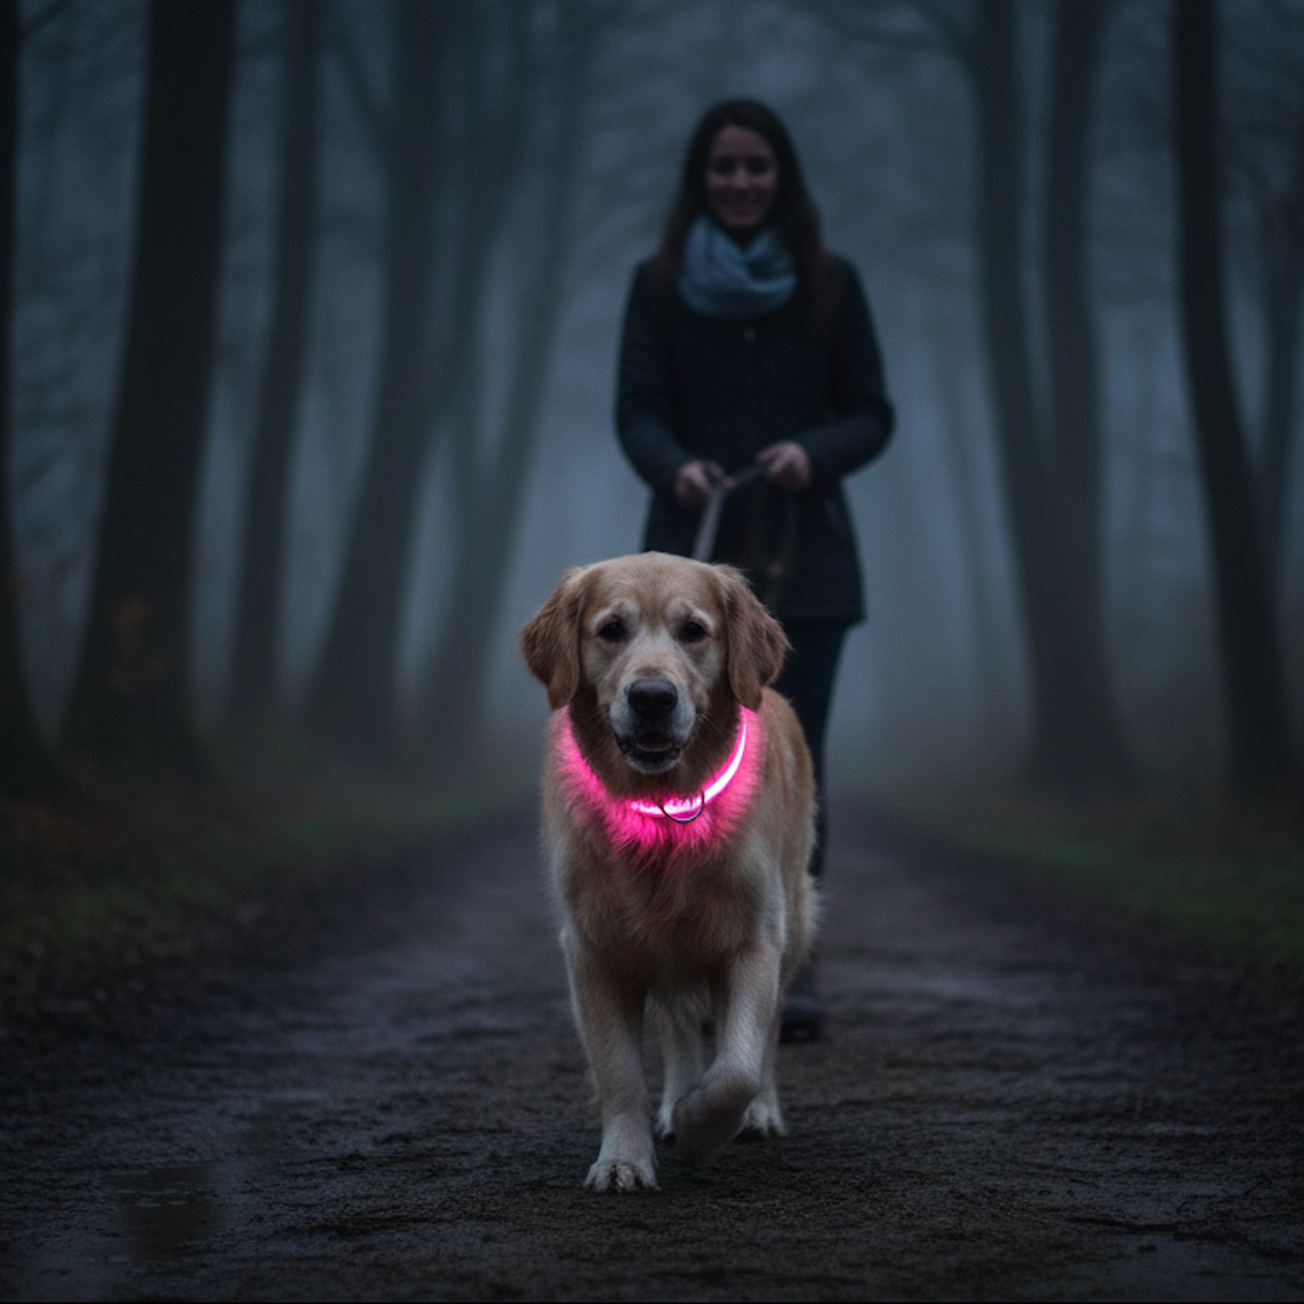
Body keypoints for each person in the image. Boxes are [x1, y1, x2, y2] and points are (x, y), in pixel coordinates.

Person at [614, 98, 896, 1042]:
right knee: (673, 770)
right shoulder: (654, 287)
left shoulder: (835, 284)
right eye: (724, 167)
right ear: (701, 178)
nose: (740, 183)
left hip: (803, 568)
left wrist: (814, 452)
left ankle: (788, 966)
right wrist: (673, 465)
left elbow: (872, 411)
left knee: (791, 765)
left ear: (783, 179)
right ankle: (684, 956)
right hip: (680, 572)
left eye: (757, 167)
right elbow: (636, 409)